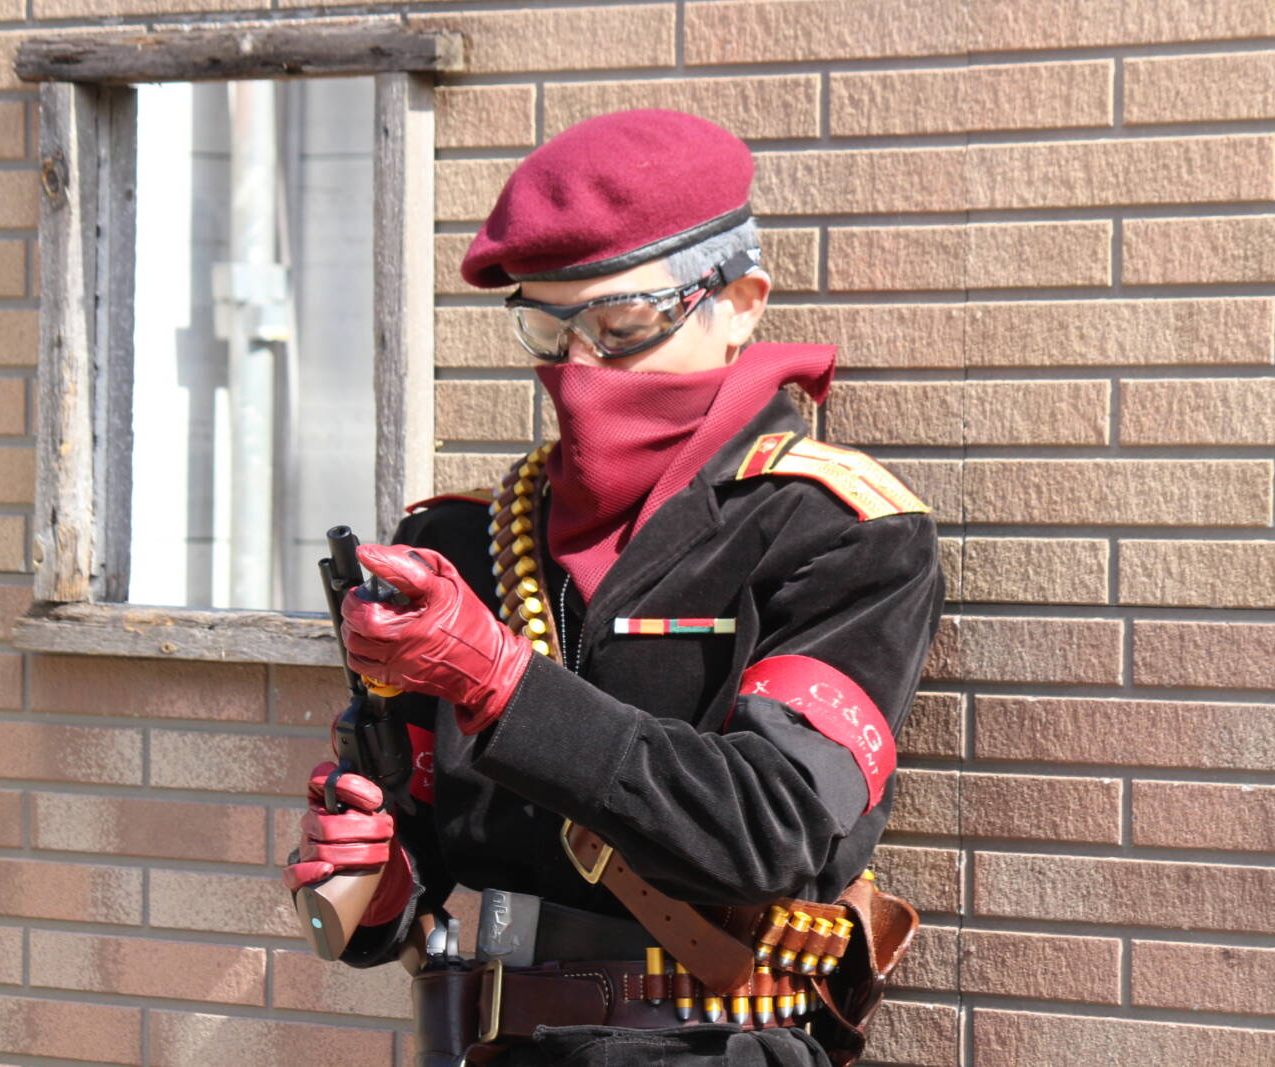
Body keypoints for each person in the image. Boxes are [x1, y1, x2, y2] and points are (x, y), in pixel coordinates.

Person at [284, 109, 944, 1066]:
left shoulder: (839, 531)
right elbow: (421, 846)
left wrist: (504, 681)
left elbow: (769, 831)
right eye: (549, 332)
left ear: (742, 302)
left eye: (623, 326)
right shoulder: (461, 541)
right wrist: (375, 879)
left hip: (707, 1045)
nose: (582, 369)